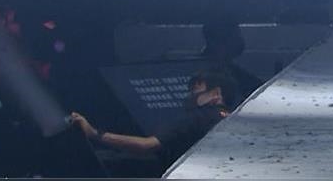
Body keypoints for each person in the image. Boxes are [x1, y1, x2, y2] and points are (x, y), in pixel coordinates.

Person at [69, 70, 233, 169]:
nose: (191, 96)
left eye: (196, 89)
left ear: (216, 93)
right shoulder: (234, 120)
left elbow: (146, 146)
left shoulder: (197, 118)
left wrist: (95, 134)